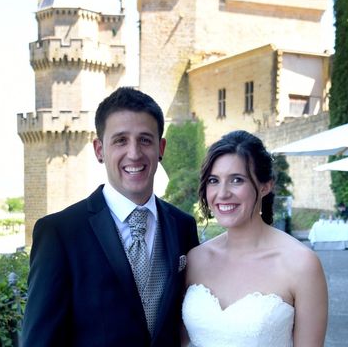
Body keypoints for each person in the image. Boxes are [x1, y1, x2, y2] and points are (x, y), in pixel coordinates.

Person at [21, 87, 200, 346]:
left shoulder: (183, 226)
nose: (134, 153)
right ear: (99, 150)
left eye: (145, 140)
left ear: (161, 148)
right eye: (120, 140)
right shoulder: (60, 233)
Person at [182, 130, 328, 346]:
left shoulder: (301, 264)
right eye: (214, 180)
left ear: (265, 186)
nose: (222, 193)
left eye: (236, 180)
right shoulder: (195, 259)